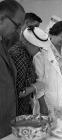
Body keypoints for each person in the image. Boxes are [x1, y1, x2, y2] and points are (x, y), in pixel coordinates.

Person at [0, 0, 25, 138]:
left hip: (6, 123)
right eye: (17, 25)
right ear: (1, 19)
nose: (19, 30)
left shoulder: (3, 44)